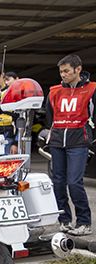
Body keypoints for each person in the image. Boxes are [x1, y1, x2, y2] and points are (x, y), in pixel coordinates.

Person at [46, 54, 95, 236]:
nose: (63, 75)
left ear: (78, 69)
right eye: (61, 71)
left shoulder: (92, 89)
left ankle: (84, 222)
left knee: (74, 182)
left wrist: (91, 136)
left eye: (67, 71)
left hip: (79, 141)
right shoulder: (54, 91)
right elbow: (49, 116)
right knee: (57, 182)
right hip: (58, 140)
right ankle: (64, 220)